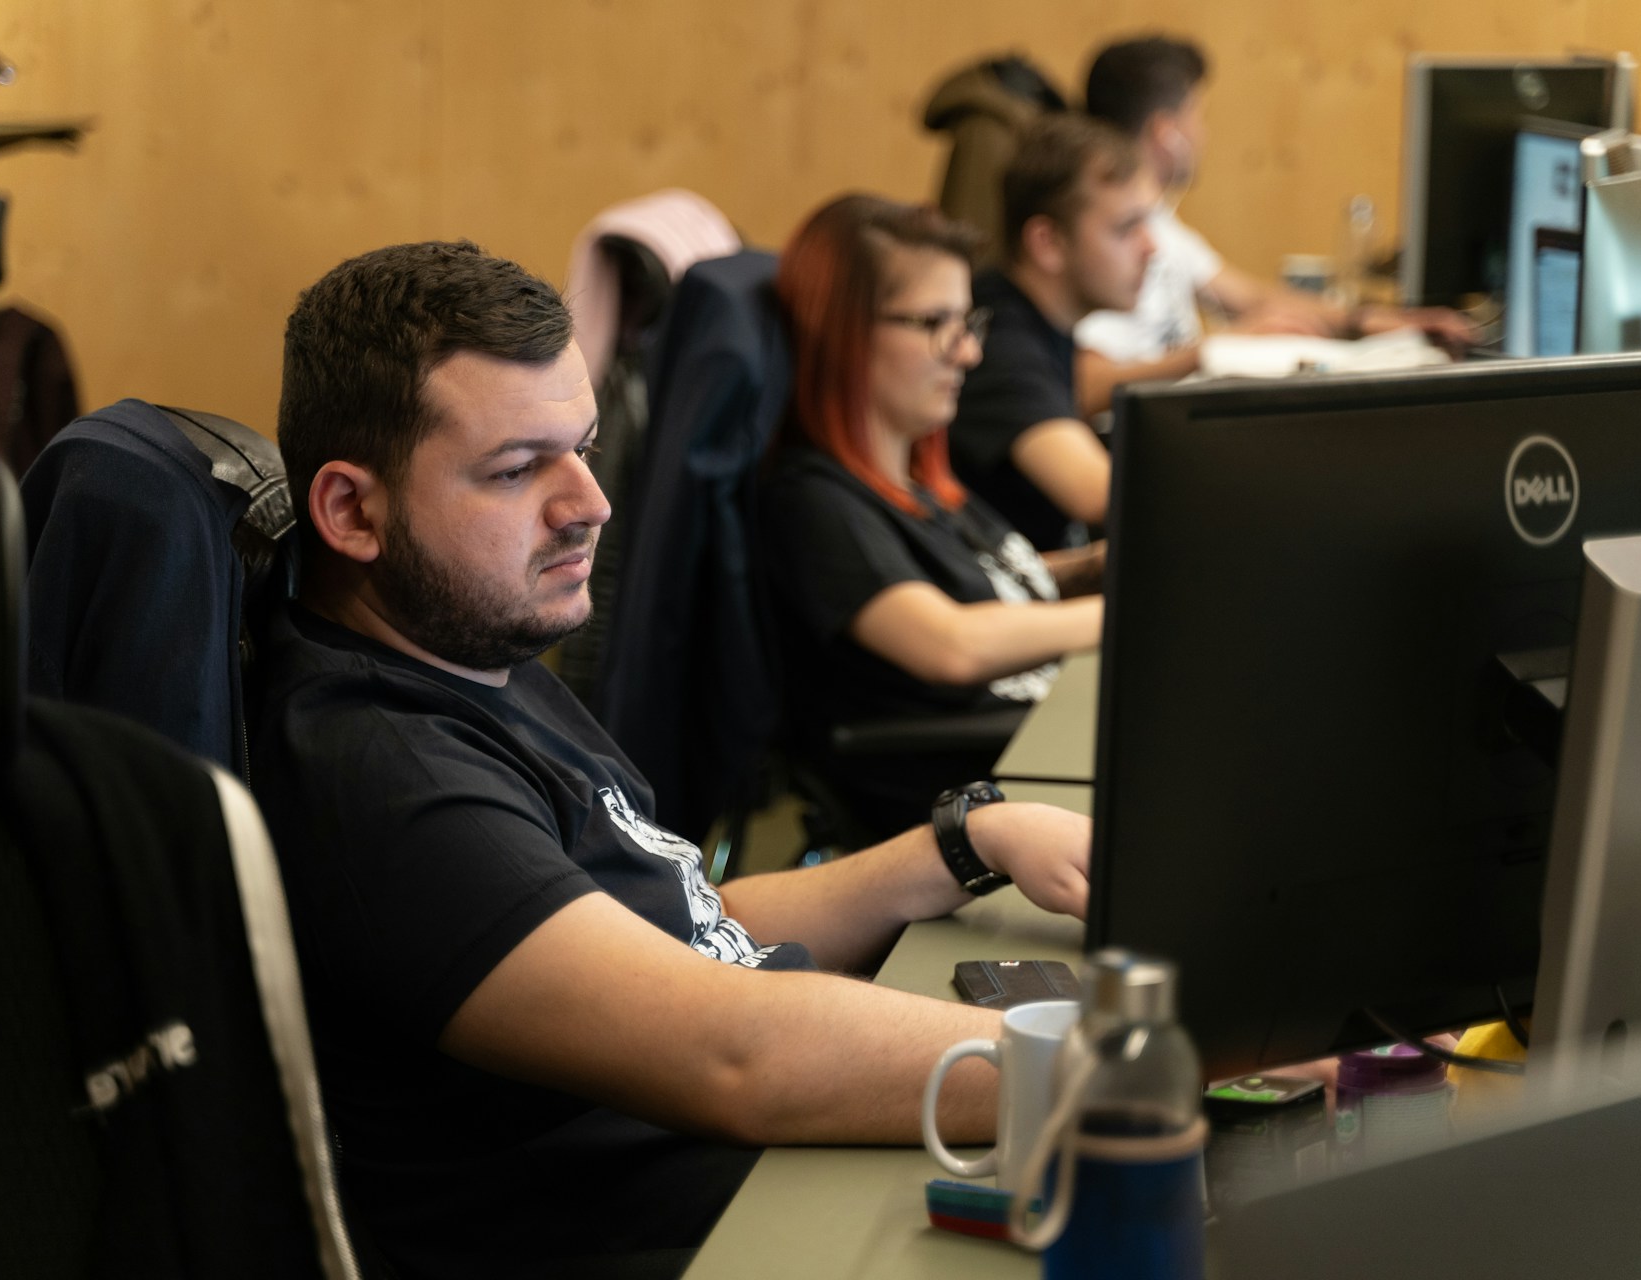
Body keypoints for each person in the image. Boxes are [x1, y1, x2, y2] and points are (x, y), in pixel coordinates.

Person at [253, 240, 1094, 1279]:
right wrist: (1119, 1073)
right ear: (352, 511)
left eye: (585, 448)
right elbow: (734, 1051)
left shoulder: (471, 650)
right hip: (707, 1237)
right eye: (519, 468)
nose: (590, 504)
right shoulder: (383, 773)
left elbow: (686, 926)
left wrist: (959, 844)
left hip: (765, 1173)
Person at [760, 194, 1105, 842]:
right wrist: (1128, 616)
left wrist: (1094, 567)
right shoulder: (811, 502)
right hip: (980, 784)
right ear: (846, 330)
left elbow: (989, 584)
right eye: (936, 323)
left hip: (1038, 745)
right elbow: (952, 643)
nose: (968, 353)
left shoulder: (916, 479)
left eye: (968, 321)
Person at [1075, 35, 1480, 417]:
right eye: (1198, 115)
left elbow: (1247, 296)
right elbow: (1082, 386)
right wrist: (1214, 350)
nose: (1204, 133)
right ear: (1168, 134)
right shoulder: (1105, 243)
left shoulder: (1160, 225)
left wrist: (1363, 321)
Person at [946, 112, 1158, 552]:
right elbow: (1097, 494)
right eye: (1125, 228)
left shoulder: (1039, 319)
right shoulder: (998, 342)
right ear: (1047, 242)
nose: (1150, 247)